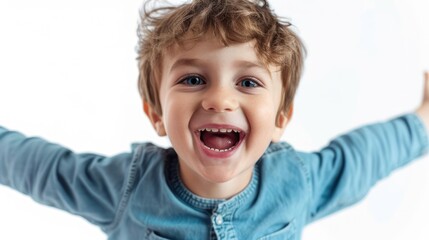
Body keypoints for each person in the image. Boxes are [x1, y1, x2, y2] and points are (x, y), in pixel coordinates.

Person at [0, 0, 428, 239]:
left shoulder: (298, 181)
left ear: (281, 118)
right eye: (192, 78)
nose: (220, 98)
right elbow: (43, 167)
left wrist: (423, 121)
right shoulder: (125, 188)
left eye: (248, 83)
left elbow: (363, 156)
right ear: (156, 114)